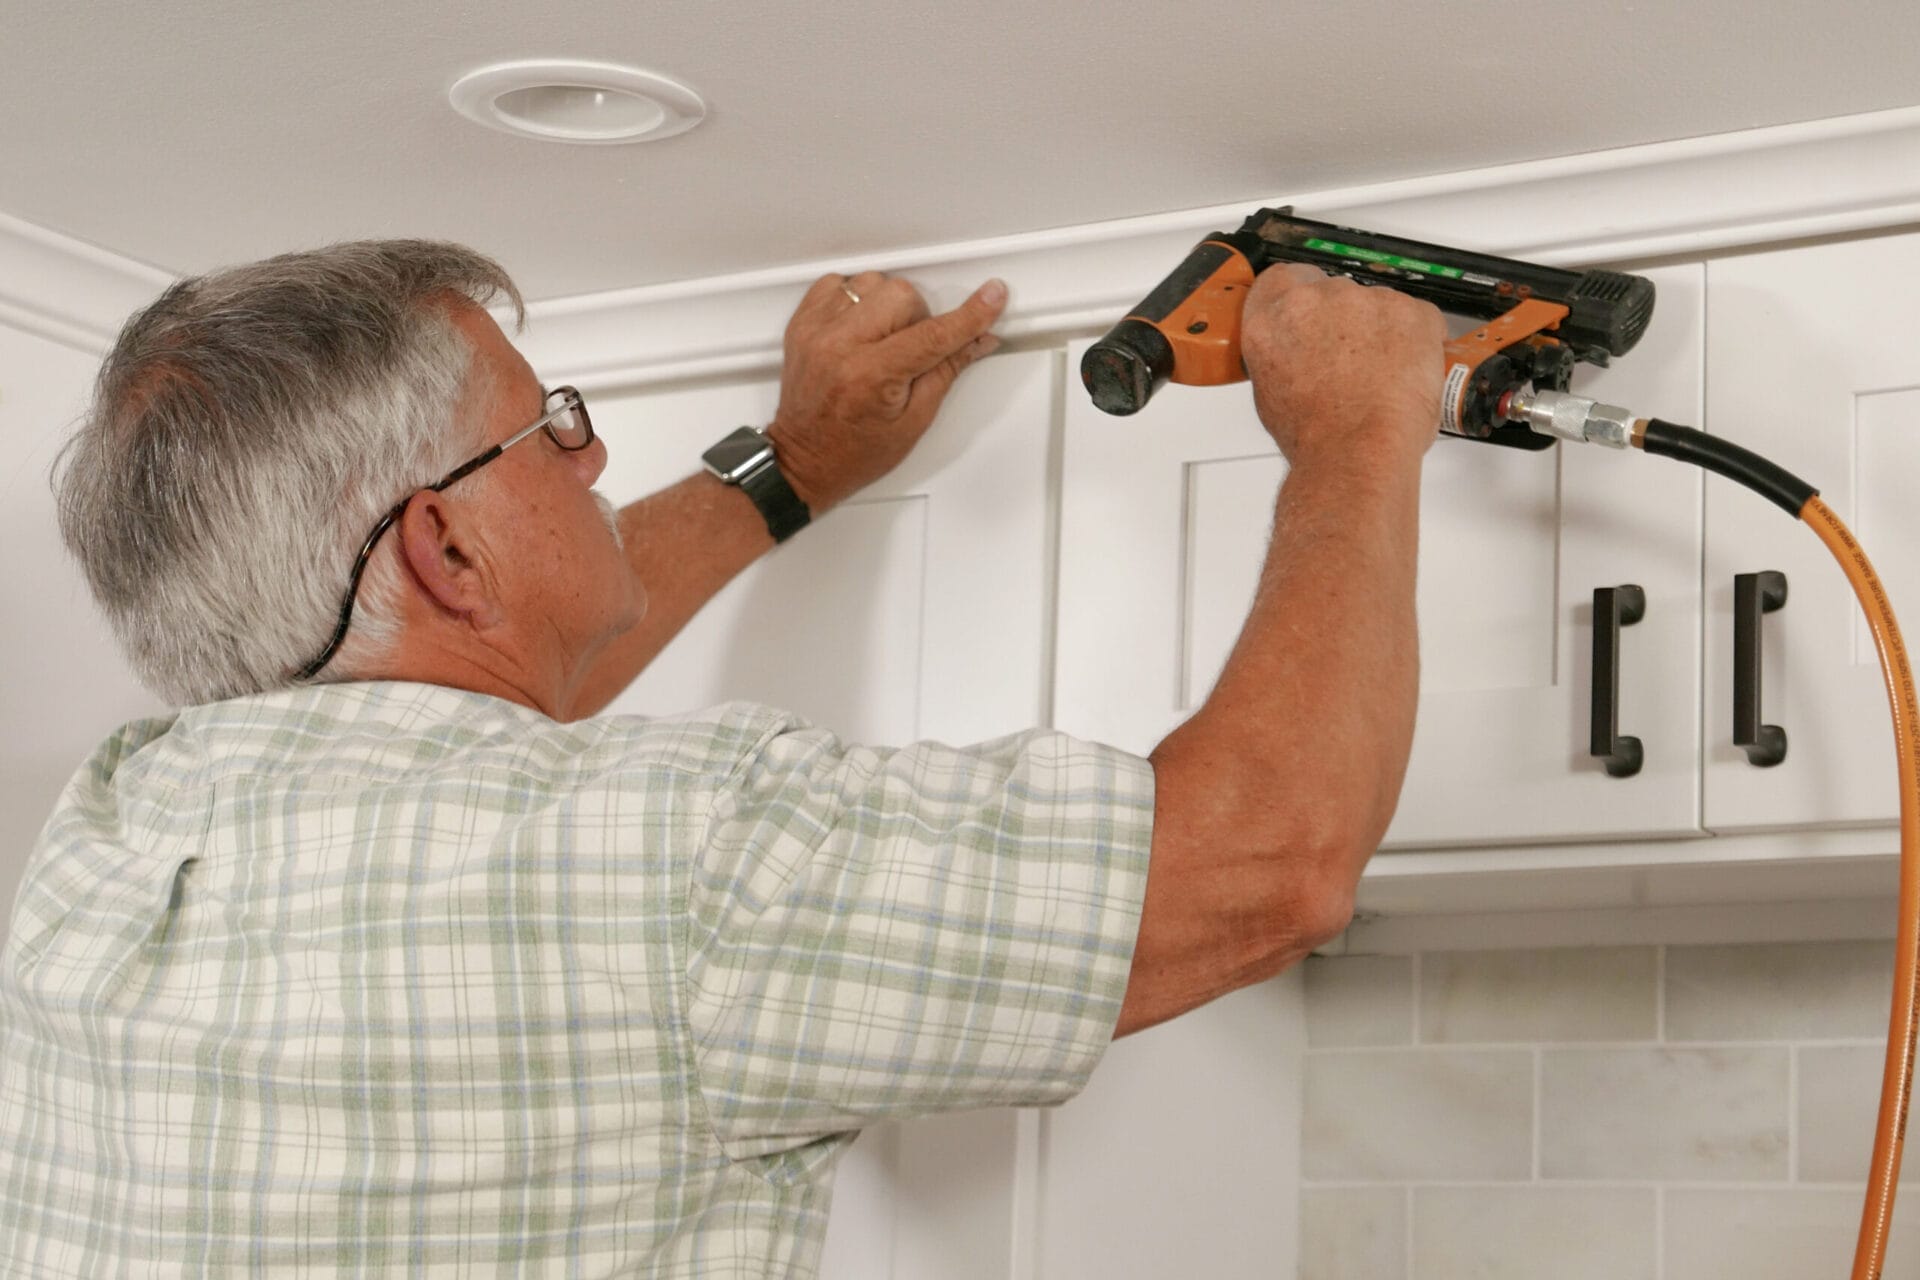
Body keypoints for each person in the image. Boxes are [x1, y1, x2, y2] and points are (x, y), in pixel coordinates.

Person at [0, 240, 1441, 1276]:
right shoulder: (680, 856)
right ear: (442, 546)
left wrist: (794, 464)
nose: (593, 461)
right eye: (549, 434)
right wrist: (1358, 434)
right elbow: (1267, 861)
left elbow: (442, 705)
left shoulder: (107, 834)